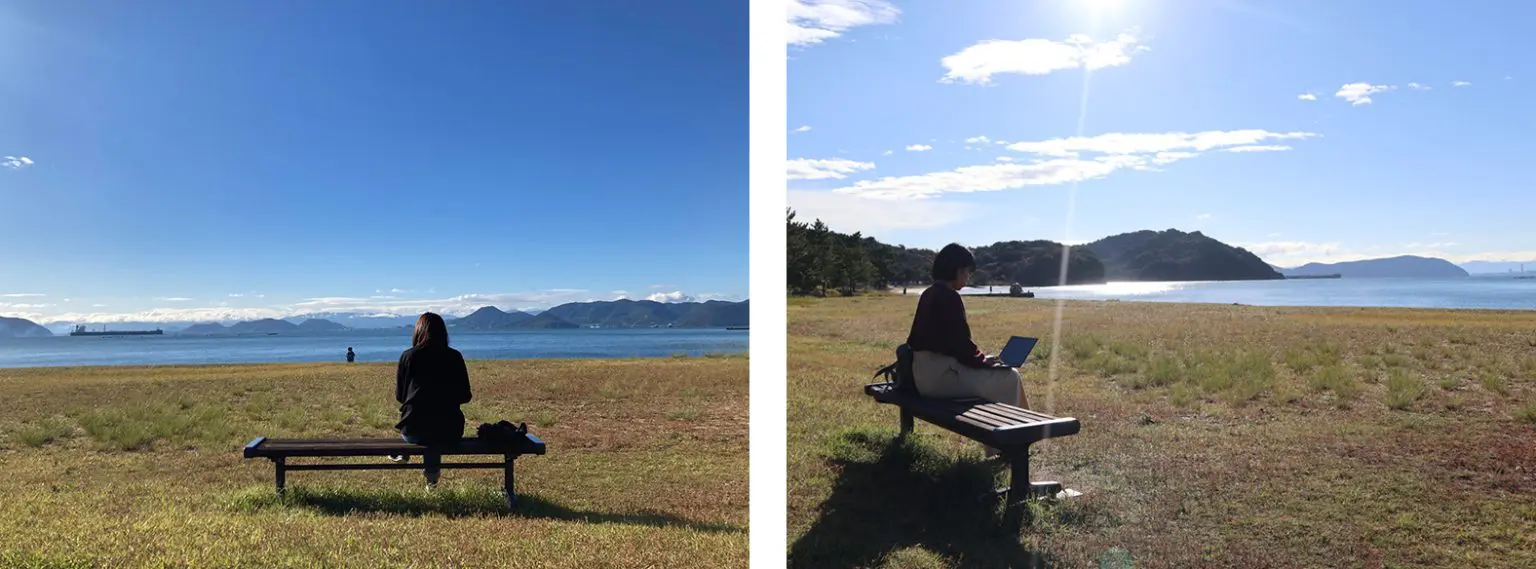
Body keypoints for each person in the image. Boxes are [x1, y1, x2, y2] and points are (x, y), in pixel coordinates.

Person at [905, 243, 1030, 455]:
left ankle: (1008, 442)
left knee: (999, 377)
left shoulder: (929, 293)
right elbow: (960, 345)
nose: (968, 278)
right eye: (967, 272)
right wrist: (983, 361)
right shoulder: (949, 297)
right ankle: (1014, 444)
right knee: (1010, 377)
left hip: (925, 375)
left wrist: (981, 359)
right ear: (957, 270)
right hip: (941, 380)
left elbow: (951, 344)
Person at [388, 312, 473, 487]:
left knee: (424, 430)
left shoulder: (408, 356)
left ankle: (409, 458)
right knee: (437, 429)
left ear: (418, 331)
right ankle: (431, 478)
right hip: (450, 430)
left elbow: (400, 396)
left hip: (414, 430)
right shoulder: (454, 357)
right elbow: (466, 396)